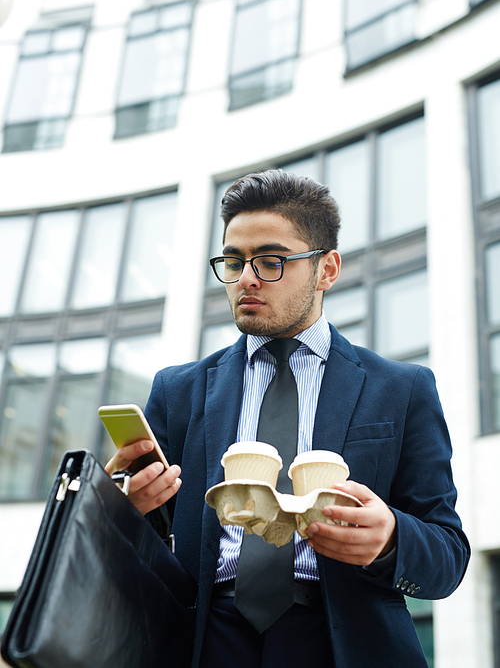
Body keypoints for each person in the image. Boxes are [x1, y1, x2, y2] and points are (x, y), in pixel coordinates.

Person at [106, 170, 470, 668]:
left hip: (346, 643)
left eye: (271, 261)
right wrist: (119, 510)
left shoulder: (403, 389)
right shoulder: (177, 390)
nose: (247, 278)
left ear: (327, 269)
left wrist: (390, 539)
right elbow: (142, 552)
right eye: (233, 262)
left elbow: (447, 556)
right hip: (203, 641)